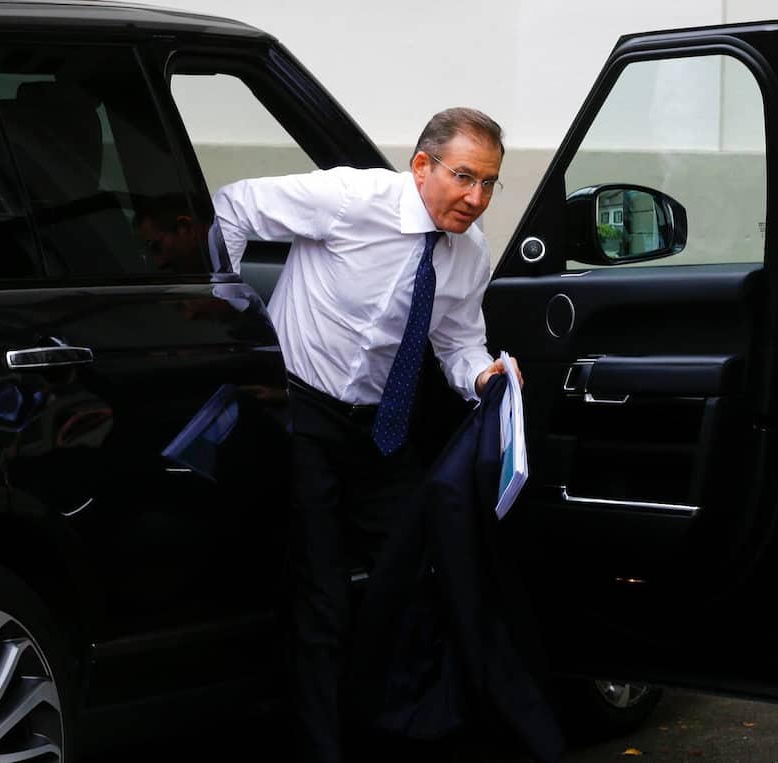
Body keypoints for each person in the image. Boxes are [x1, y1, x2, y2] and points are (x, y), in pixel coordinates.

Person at [212, 107, 517, 762]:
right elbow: (233, 206)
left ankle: (402, 727)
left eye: (490, 182)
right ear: (420, 166)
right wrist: (232, 320)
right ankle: (321, 747)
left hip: (379, 431)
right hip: (302, 414)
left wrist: (483, 377)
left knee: (420, 576)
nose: (476, 197)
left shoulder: (469, 249)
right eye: (464, 177)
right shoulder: (352, 198)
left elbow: (457, 339)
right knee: (321, 600)